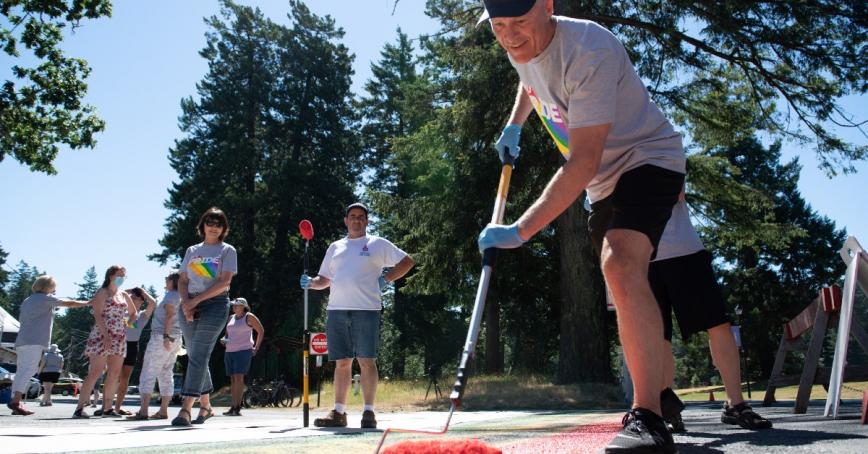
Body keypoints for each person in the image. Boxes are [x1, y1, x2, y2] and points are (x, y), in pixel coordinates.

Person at [476, 1, 687, 452]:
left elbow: (584, 159)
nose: (510, 36)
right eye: (499, 26)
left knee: (621, 260)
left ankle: (648, 417)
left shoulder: (588, 50)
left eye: (519, 23)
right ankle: (662, 393)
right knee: (622, 275)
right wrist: (514, 124)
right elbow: (527, 77)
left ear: (548, 6)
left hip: (648, 157)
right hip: (604, 182)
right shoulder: (519, 43)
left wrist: (520, 230)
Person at [647, 198, 772, 432]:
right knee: (657, 336)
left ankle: (736, 404)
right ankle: (666, 409)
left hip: (685, 250)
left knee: (718, 323)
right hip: (641, 257)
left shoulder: (664, 158)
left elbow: (674, 191)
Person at [300, 202, 416, 429]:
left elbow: (407, 261)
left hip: (367, 310)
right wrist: (311, 283)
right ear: (346, 220)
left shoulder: (377, 244)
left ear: (367, 221)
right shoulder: (335, 247)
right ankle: (339, 413)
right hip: (336, 310)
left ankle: (369, 412)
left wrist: (386, 279)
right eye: (352, 216)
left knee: (366, 361)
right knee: (341, 363)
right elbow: (325, 279)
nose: (356, 220)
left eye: (361, 217)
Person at [172, 207, 237, 426]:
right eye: (210, 222)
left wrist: (194, 302)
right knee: (196, 356)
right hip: (189, 304)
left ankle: (185, 409)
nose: (213, 226)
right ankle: (206, 406)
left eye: (218, 223)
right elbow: (182, 280)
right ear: (203, 225)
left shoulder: (227, 251)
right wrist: (186, 304)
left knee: (198, 354)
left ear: (223, 228)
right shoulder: (192, 250)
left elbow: (224, 282)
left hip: (215, 305)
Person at [7, 276, 89, 415]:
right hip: (35, 340)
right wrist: (88, 302)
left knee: (21, 370)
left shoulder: (28, 300)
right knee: (29, 369)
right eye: (53, 287)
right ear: (47, 287)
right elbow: (68, 303)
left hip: (22, 340)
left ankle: (15, 400)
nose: (55, 290)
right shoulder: (44, 298)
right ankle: (15, 401)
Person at [73, 266, 138, 418]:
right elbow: (97, 315)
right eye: (119, 275)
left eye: (124, 275)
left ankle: (107, 408)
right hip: (102, 335)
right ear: (110, 275)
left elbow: (134, 313)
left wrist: (126, 324)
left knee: (115, 373)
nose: (121, 278)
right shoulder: (102, 292)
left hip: (119, 336)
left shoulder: (124, 295)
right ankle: (79, 408)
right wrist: (106, 335)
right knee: (96, 371)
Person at [128, 271, 184, 420]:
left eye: (167, 279)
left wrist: (165, 336)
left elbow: (170, 315)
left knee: (148, 372)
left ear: (173, 281)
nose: (165, 280)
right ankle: (163, 410)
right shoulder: (181, 296)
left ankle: (143, 411)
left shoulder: (172, 295)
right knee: (166, 373)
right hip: (176, 337)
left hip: (162, 337)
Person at [110, 287, 156, 416]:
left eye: (135, 298)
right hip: (117, 344)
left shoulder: (142, 316)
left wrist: (142, 291)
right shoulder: (121, 312)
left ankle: (117, 407)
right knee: (113, 376)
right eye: (130, 297)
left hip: (131, 346)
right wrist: (127, 291)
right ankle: (107, 406)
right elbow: (114, 297)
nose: (131, 299)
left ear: (141, 301)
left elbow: (153, 303)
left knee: (125, 378)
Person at [221, 297, 264, 416]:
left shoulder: (249, 317)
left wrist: (256, 347)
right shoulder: (231, 318)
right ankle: (233, 406)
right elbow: (227, 335)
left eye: (237, 305)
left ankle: (237, 407)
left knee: (239, 378)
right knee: (233, 379)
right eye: (233, 305)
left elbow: (261, 331)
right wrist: (224, 340)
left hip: (243, 351)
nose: (234, 306)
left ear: (243, 306)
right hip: (229, 351)